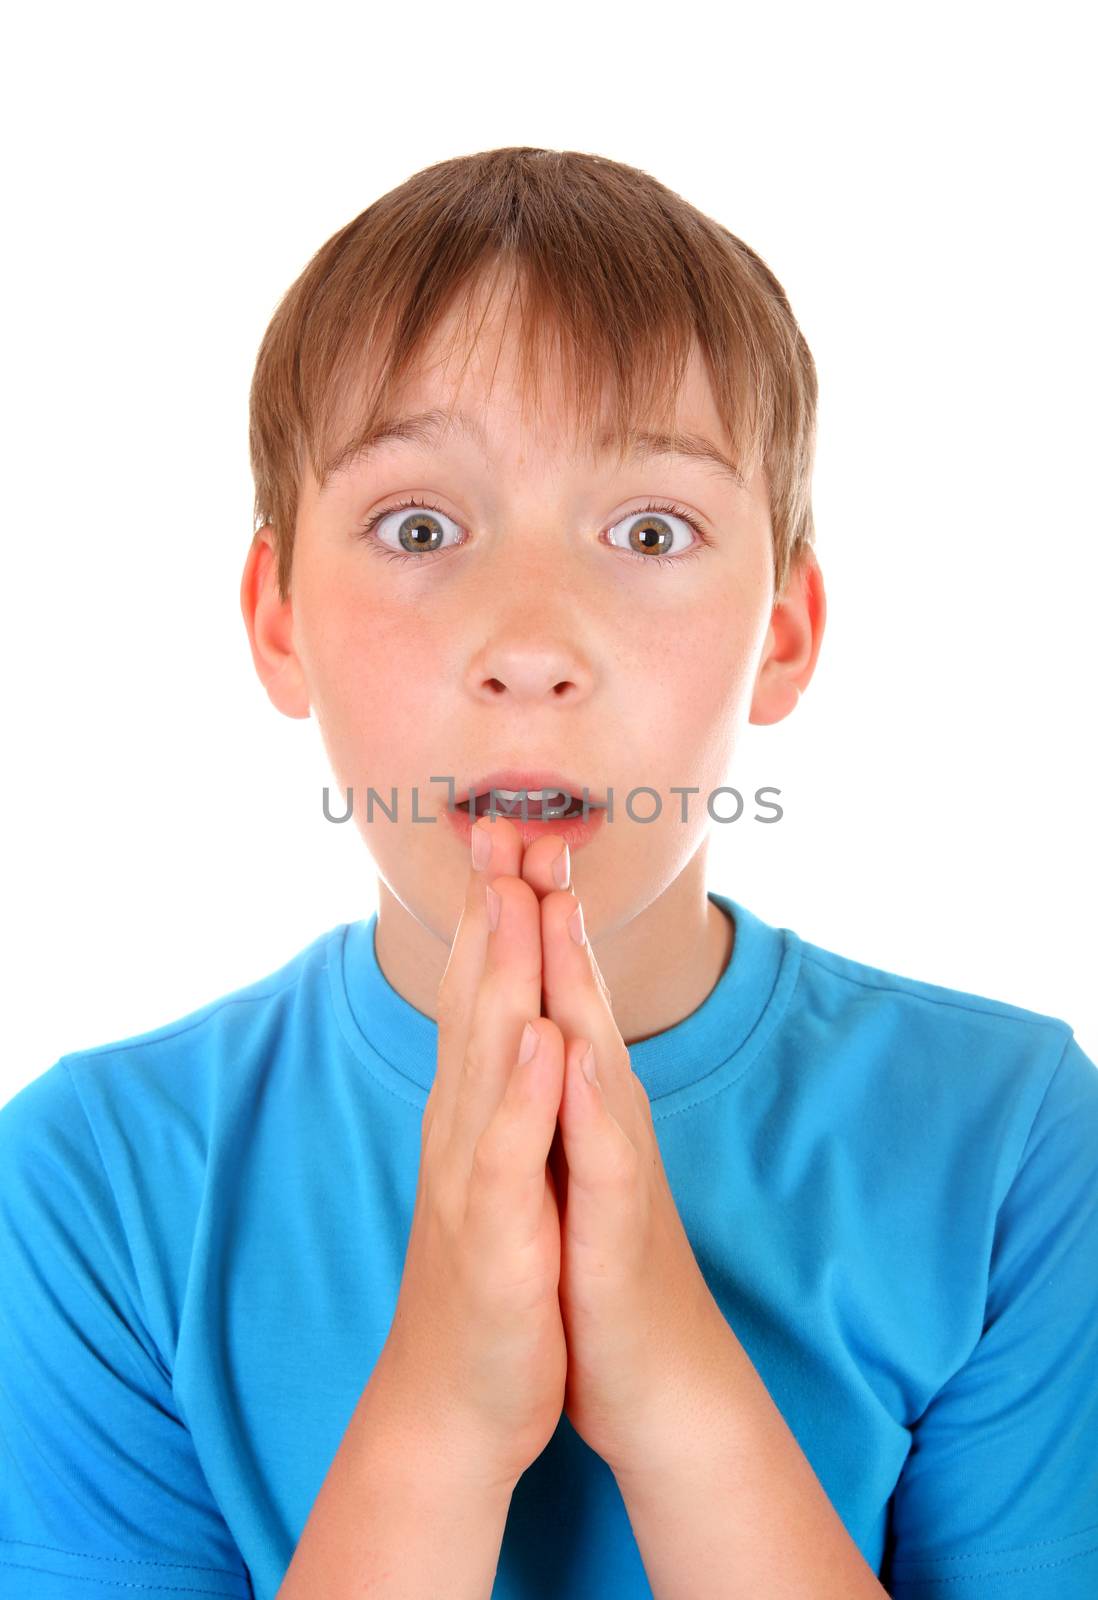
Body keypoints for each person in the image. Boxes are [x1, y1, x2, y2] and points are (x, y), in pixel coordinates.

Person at [2, 146, 1096, 1600]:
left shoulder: (1011, 1141)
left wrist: (678, 1395)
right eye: (418, 527)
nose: (530, 641)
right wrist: (443, 1414)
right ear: (276, 620)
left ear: (780, 632)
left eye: (648, 531)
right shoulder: (91, 1181)